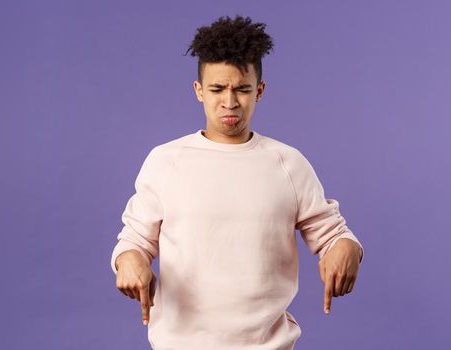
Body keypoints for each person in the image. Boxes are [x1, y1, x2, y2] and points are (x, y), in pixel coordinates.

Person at [110, 15, 364, 350]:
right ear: (199, 91)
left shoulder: (288, 164)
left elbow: (334, 235)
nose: (229, 102)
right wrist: (129, 260)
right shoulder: (166, 161)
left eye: (242, 89)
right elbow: (135, 241)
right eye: (217, 89)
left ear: (259, 91)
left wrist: (345, 250)